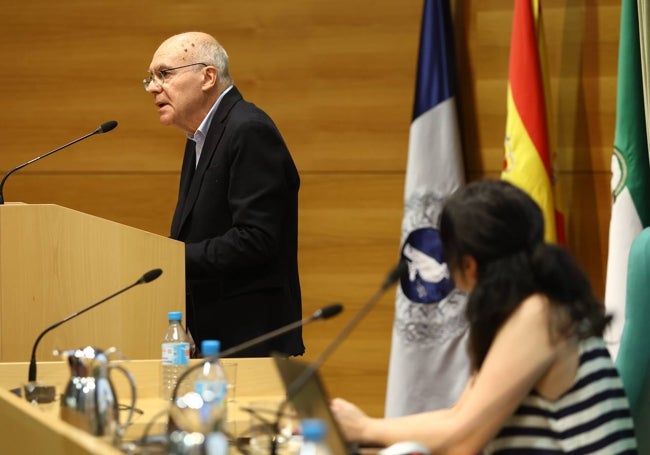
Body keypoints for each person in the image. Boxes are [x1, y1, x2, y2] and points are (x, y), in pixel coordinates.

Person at [331, 179, 637, 453]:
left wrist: (364, 428)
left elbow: (464, 441)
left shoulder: (539, 313)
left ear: (469, 265)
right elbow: (459, 416)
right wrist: (364, 427)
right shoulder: (535, 305)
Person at [144, 31, 304, 357]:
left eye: (164, 74)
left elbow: (256, 239)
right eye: (149, 78)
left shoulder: (248, 129)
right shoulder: (200, 136)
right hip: (214, 338)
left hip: (250, 341)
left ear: (207, 76)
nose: (153, 87)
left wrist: (172, 260)